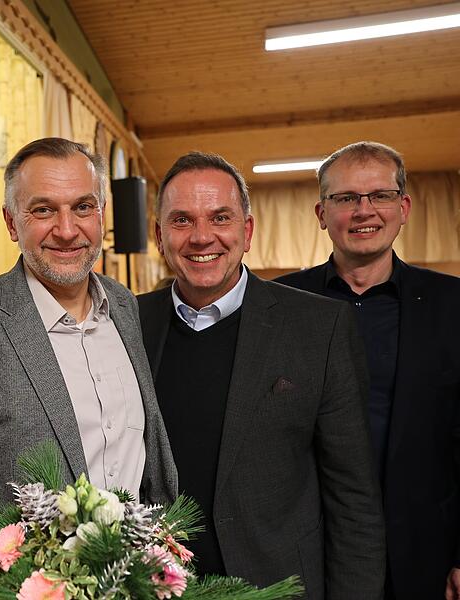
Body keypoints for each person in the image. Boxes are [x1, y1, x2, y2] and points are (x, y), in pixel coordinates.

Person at [0, 137, 178, 599]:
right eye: (43, 210)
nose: (66, 229)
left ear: (102, 214)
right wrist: (25, 590)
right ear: (11, 222)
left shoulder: (123, 306)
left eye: (83, 207)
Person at [139, 151, 386, 599]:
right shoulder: (126, 324)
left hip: (278, 585)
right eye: (181, 221)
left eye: (220, 217)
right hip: (148, 586)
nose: (201, 236)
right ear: (159, 235)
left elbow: (354, 501)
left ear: (247, 231)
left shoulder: (320, 327)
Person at [276, 141, 460, 600]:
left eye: (379, 195)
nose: (364, 211)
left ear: (403, 207)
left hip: (425, 550)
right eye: (345, 199)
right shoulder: (276, 306)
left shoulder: (453, 305)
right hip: (307, 551)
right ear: (321, 213)